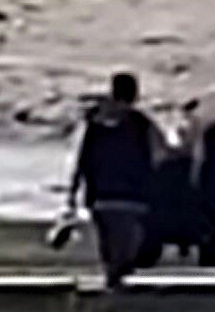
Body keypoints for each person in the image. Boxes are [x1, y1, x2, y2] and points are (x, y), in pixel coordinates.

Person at [66, 72, 168, 290]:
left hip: (101, 198)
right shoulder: (141, 124)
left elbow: (82, 160)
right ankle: (118, 294)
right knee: (126, 254)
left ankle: (112, 293)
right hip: (133, 199)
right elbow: (160, 157)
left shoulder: (95, 124)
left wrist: (73, 196)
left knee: (110, 254)